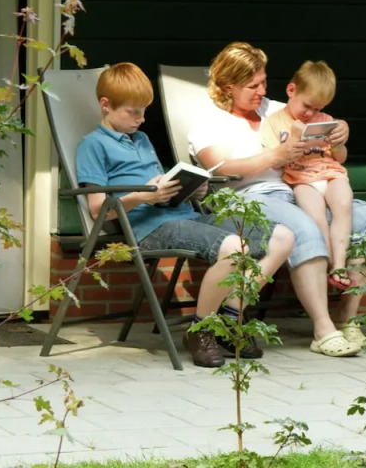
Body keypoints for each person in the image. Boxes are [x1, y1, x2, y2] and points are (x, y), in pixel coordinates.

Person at [76, 62, 294, 368]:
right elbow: (99, 208)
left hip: (182, 214)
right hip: (146, 226)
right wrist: (143, 195)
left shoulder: (142, 139)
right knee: (235, 249)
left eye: (144, 112)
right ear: (106, 105)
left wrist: (191, 189)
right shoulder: (92, 145)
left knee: (282, 237)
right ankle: (201, 330)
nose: (140, 120)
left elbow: (161, 188)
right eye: (132, 112)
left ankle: (231, 320)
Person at [188, 42, 366, 358]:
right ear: (229, 86)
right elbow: (221, 169)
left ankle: (347, 318)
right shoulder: (209, 122)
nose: (262, 91)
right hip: (245, 200)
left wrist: (341, 131)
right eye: (252, 86)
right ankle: (323, 330)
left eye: (264, 81)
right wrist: (274, 156)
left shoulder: (277, 109)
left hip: (297, 191)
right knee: (305, 226)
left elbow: (318, 120)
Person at [260, 60, 355, 292]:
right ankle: (328, 264)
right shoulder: (275, 122)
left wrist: (338, 142)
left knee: (344, 204)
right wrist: (294, 140)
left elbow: (339, 158)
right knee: (316, 216)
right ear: (291, 90)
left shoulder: (325, 120)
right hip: (301, 179)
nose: (312, 113)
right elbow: (274, 158)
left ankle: (340, 266)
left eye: (318, 108)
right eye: (308, 106)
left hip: (331, 173)